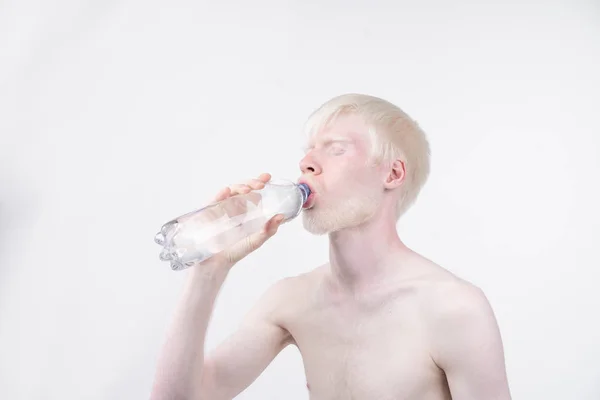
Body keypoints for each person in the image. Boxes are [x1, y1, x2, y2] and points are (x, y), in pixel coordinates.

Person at [149, 94, 512, 400]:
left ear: (392, 174)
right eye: (308, 152)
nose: (306, 163)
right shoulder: (292, 299)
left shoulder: (454, 308)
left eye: (335, 149)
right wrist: (209, 271)